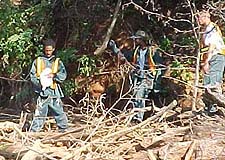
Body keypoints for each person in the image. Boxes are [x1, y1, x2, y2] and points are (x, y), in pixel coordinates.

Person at [109, 30, 164, 122]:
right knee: (135, 95)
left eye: (137, 39)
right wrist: (114, 48)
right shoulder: (136, 51)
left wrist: (157, 84)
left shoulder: (153, 52)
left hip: (148, 78)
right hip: (137, 78)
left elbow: (160, 68)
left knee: (140, 95)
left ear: (142, 40)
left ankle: (138, 118)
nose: (136, 41)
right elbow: (123, 57)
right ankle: (135, 115)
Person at [29, 39, 68, 132]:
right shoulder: (38, 61)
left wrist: (54, 76)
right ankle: (34, 133)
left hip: (54, 92)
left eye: (50, 50)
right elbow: (32, 76)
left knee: (59, 113)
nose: (48, 52)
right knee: (39, 114)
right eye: (46, 50)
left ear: (53, 49)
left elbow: (63, 75)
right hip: (43, 93)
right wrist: (40, 83)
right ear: (44, 49)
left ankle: (64, 131)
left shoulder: (57, 62)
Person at [198, 10, 225, 113]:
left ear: (206, 17)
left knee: (213, 84)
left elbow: (211, 46)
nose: (198, 20)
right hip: (208, 58)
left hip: (216, 57)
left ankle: (216, 109)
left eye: (200, 18)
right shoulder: (204, 30)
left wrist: (206, 62)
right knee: (206, 84)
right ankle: (208, 108)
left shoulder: (212, 28)